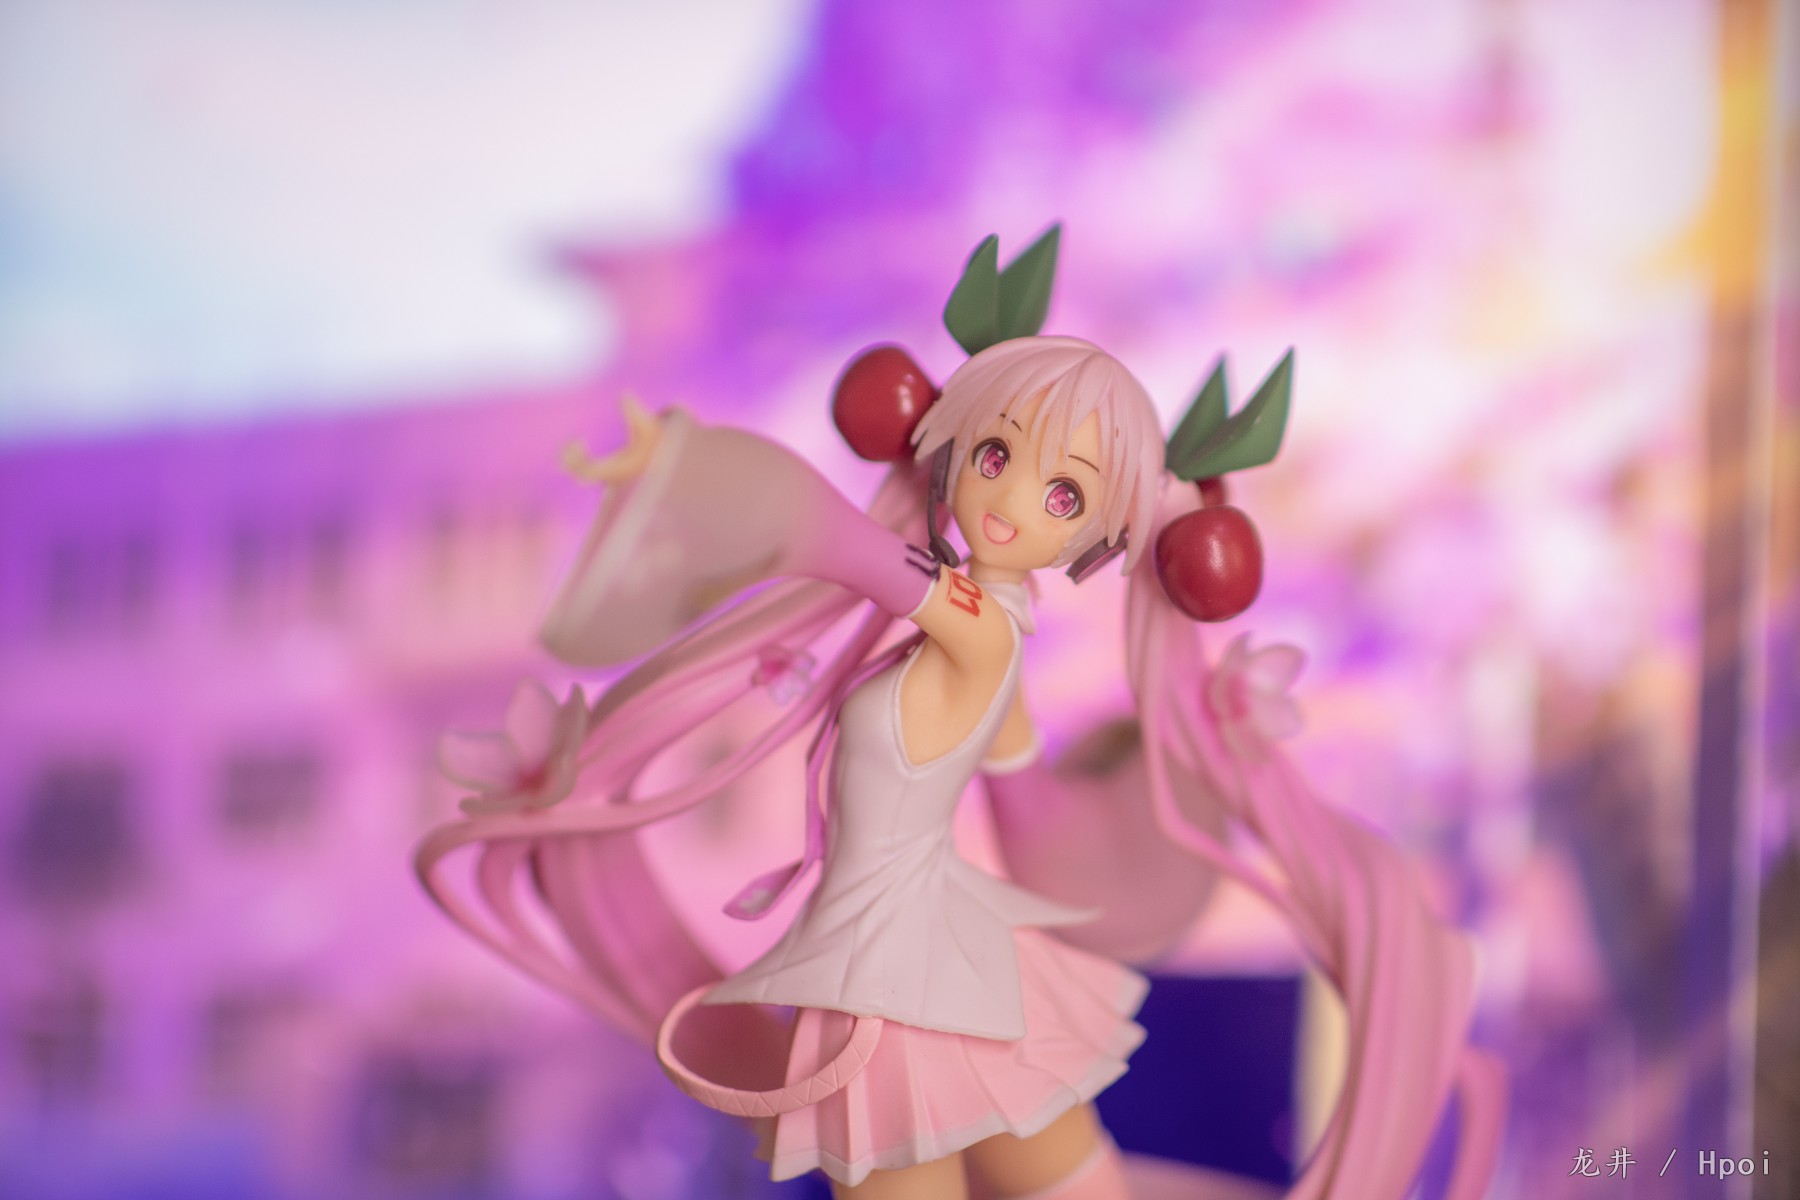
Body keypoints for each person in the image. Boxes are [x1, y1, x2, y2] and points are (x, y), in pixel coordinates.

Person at [418, 330, 1504, 1198]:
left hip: (905, 968)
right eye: (996, 456)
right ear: (957, 444)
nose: (1013, 502)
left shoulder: (977, 622)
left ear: (1094, 535)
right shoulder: (978, 635)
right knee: (1057, 1180)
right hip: (901, 962)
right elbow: (1018, 771)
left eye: (1064, 496)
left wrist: (685, 469)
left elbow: (819, 530)